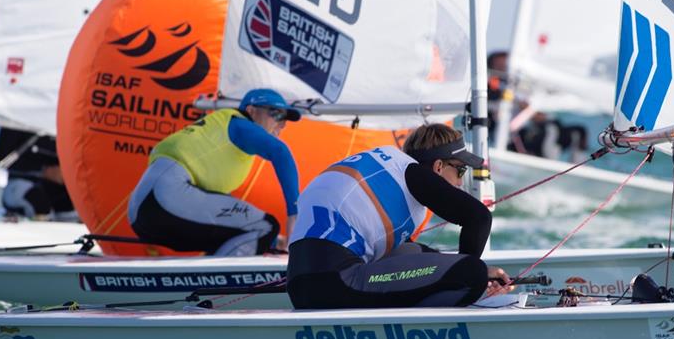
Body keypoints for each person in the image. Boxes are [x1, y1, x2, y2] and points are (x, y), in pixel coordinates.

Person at [286, 123, 512, 309]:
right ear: (439, 166)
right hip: (339, 283)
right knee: (469, 272)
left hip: (299, 286)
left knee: (416, 251)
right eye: (460, 170)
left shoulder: (384, 165)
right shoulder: (412, 173)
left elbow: (405, 257)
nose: (461, 182)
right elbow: (479, 217)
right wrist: (477, 274)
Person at [127, 88, 301, 256]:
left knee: (246, 231)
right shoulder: (239, 124)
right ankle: (219, 282)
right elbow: (281, 152)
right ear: (251, 110)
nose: (282, 124)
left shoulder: (224, 140)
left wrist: (271, 242)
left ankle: (199, 282)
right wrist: (294, 214)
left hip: (144, 210)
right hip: (163, 200)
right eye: (277, 114)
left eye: (285, 119)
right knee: (267, 225)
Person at [0, 127, 77, 220]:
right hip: (20, 185)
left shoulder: (64, 122)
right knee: (41, 206)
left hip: (57, 190)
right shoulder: (15, 118)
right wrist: (44, 171)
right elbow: (2, 159)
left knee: (76, 211)